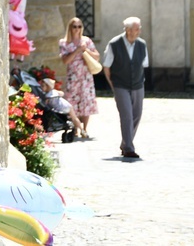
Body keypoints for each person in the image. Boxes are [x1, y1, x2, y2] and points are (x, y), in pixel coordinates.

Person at [102, 16, 148, 159]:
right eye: (136, 29)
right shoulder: (114, 44)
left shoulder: (142, 44)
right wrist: (113, 85)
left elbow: (143, 64)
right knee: (127, 116)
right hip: (120, 85)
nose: (138, 31)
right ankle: (128, 148)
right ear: (128, 30)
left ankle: (125, 142)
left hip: (138, 85)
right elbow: (107, 67)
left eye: (139, 28)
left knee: (137, 115)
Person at [58, 17, 100, 138]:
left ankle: (85, 129)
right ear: (70, 28)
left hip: (86, 76)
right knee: (72, 102)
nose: (77, 29)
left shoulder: (86, 41)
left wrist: (85, 49)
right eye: (74, 26)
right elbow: (65, 60)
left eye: (79, 26)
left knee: (86, 101)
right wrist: (77, 50)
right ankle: (76, 127)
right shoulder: (64, 42)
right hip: (73, 76)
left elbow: (97, 56)